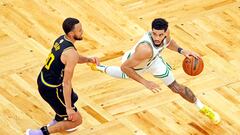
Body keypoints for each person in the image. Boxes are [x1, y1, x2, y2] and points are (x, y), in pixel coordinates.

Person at [89, 18, 220, 124]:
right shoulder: (144, 49)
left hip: (154, 62)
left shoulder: (166, 34)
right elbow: (125, 68)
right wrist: (146, 82)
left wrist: (182, 51)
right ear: (151, 31)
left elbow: (169, 43)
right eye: (154, 34)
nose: (157, 37)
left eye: (160, 34)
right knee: (123, 74)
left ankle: (202, 107)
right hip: (134, 65)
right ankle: (99, 67)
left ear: (165, 32)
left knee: (176, 87)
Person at [26, 17, 100, 135]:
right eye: (79, 30)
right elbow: (67, 83)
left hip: (43, 78)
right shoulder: (71, 54)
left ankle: (59, 119)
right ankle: (40, 133)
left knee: (72, 98)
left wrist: (88, 59)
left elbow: (73, 57)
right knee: (77, 120)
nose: (82, 32)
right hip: (52, 88)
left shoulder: (61, 39)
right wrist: (69, 109)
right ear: (71, 34)